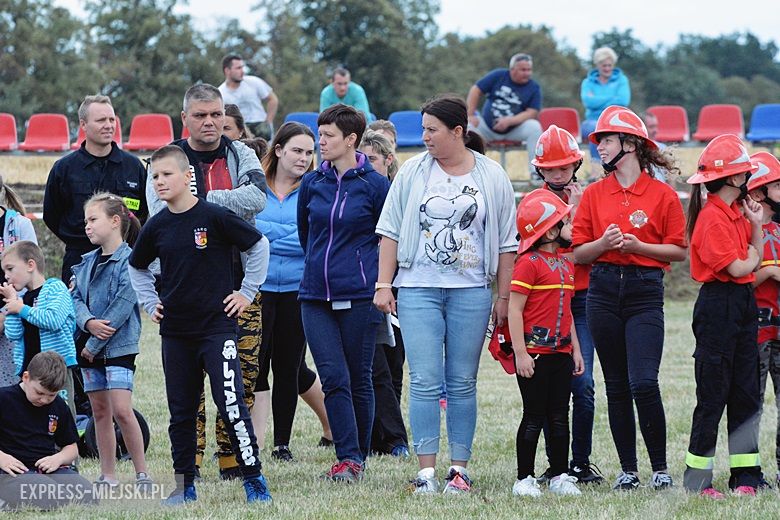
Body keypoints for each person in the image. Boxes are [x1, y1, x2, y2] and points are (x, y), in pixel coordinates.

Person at [374, 94, 517, 494]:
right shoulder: (411, 172)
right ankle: (426, 473)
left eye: (432, 130)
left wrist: (503, 297)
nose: (424, 137)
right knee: (423, 379)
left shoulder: (492, 175)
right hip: (417, 288)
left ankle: (459, 470)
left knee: (462, 381)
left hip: (471, 291)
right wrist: (384, 284)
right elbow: (389, 230)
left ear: (458, 132)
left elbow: (508, 243)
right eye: (423, 129)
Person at [129, 145, 271, 504]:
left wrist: (246, 292)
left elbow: (259, 245)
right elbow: (136, 266)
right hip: (176, 334)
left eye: (167, 174)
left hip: (216, 330)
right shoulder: (157, 225)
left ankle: (254, 479)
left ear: (187, 176)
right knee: (181, 413)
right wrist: (150, 302)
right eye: (155, 176)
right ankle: (184, 486)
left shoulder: (215, 215)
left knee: (231, 404)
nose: (160, 181)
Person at [145, 83, 267, 481]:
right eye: (200, 115)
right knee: (187, 389)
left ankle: (233, 461)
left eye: (216, 114)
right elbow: (160, 214)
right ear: (185, 118)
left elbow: (258, 198)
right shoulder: (167, 158)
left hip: (239, 287)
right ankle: (191, 464)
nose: (210, 122)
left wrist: (205, 203)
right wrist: (220, 202)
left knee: (239, 380)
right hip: (184, 289)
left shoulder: (241, 152)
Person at [572, 105, 686, 491]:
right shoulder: (593, 194)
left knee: (644, 382)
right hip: (602, 291)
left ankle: (660, 469)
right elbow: (579, 254)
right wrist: (603, 244)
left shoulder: (663, 195)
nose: (599, 147)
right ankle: (628, 470)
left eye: (606, 139)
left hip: (645, 292)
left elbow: (678, 250)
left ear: (631, 144)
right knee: (616, 384)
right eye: (599, 141)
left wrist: (641, 247)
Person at [298, 104, 389, 482]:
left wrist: (379, 282)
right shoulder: (312, 182)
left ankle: (357, 459)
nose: (320, 142)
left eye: (328, 135)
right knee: (333, 376)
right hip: (314, 296)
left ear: (351, 139)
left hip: (361, 296)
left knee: (358, 377)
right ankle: (347, 457)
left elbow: (388, 239)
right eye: (319, 134)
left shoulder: (375, 185)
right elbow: (307, 234)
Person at [684, 134, 764, 497]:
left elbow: (752, 261)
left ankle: (746, 476)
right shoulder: (712, 219)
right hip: (719, 305)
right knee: (713, 395)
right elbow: (739, 267)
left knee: (746, 392)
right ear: (733, 178)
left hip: (743, 302)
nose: (748, 178)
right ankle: (697, 480)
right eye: (744, 173)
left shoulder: (736, 214)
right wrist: (751, 256)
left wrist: (756, 228)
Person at [253, 122, 332, 460]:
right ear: (279, 150)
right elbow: (246, 233)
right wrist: (283, 236)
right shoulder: (254, 187)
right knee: (255, 366)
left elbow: (311, 241)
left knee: (288, 368)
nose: (303, 158)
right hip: (257, 289)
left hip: (297, 292)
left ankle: (281, 444)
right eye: (297, 150)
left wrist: (266, 236)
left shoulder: (315, 189)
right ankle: (251, 441)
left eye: (309, 152)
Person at [530, 125, 603, 485]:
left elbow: (592, 247)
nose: (558, 175)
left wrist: (577, 211)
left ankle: (581, 462)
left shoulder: (590, 197)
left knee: (583, 383)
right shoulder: (535, 203)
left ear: (575, 166)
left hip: (583, 299)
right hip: (548, 299)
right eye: (550, 169)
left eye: (564, 167)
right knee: (549, 386)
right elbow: (541, 252)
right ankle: (556, 463)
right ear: (540, 170)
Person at [71, 192, 150, 489]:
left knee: (121, 410)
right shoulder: (85, 262)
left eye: (93, 219)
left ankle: (142, 473)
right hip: (89, 350)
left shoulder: (131, 261)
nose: (87, 226)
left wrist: (92, 345)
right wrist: (87, 322)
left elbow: (121, 308)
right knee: (100, 412)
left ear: (115, 221)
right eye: (85, 221)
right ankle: (108, 475)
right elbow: (75, 298)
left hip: (117, 349)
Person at [508, 189, 584, 497]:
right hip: (535, 356)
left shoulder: (565, 264)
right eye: (566, 221)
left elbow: (568, 311)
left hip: (561, 354)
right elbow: (514, 309)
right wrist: (521, 353)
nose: (571, 226)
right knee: (534, 416)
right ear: (551, 231)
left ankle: (559, 475)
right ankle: (524, 478)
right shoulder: (528, 263)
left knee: (559, 416)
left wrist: (576, 348)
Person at [44, 94, 147, 282]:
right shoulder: (64, 169)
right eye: (101, 120)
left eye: (111, 120)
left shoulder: (133, 167)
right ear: (83, 125)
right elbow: (51, 215)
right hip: (79, 261)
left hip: (124, 261)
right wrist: (82, 238)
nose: (108, 125)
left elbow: (144, 212)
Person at [358, 131, 408, 457]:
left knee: (393, 364)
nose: (365, 164)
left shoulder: (397, 194)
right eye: (362, 158)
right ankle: (391, 437)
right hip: (366, 285)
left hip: (397, 286)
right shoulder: (358, 193)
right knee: (374, 365)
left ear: (388, 161)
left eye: (372, 159)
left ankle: (385, 435)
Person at [0, 352, 94, 510]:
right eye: (39, 393)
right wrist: (2, 458)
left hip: (45, 468)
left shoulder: (59, 406)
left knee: (87, 493)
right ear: (26, 377)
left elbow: (72, 448)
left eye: (51, 395)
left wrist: (58, 458)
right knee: (51, 495)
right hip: (10, 471)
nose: (44, 400)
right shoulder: (4, 398)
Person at [0, 241, 77, 419]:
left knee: (61, 416)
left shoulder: (55, 288)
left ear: (30, 265)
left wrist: (21, 309)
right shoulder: (23, 299)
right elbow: (13, 334)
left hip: (56, 369)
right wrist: (12, 306)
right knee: (31, 419)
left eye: (10, 269)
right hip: (31, 371)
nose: (6, 276)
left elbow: (53, 320)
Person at [747, 151, 780, 487]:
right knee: (751, 403)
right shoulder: (746, 230)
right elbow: (740, 279)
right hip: (756, 330)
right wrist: (769, 271)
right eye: (777, 185)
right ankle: (750, 471)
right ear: (758, 193)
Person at [466, 53, 543, 173]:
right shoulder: (498, 76)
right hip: (486, 129)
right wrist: (470, 114)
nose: (527, 73)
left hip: (514, 130)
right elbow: (476, 90)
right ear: (512, 69)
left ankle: (536, 172)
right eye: (523, 70)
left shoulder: (534, 87)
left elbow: (532, 112)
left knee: (535, 127)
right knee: (467, 127)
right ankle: (470, 171)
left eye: (529, 70)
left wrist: (509, 121)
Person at [0, 177, 37, 388]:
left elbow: (32, 276)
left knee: (10, 390)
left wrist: (6, 313)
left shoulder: (20, 225)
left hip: (13, 318)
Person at [580, 47, 631, 177]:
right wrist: (612, 98)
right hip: (593, 121)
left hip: (615, 120)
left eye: (609, 65)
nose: (607, 68)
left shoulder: (622, 80)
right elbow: (588, 102)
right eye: (604, 65)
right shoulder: (587, 82)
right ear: (598, 65)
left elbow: (623, 101)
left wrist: (597, 100)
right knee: (596, 130)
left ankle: (616, 168)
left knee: (616, 134)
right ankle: (597, 170)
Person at [219, 54, 278, 140]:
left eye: (242, 67)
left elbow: (273, 99)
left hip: (260, 125)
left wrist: (268, 122)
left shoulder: (253, 81)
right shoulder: (220, 93)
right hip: (241, 129)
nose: (242, 71)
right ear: (227, 70)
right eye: (238, 68)